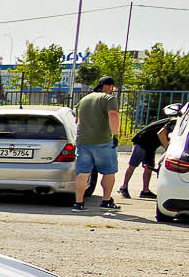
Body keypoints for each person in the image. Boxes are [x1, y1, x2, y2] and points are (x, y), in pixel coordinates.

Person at [72, 76, 121, 210]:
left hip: (83, 142)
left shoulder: (83, 100)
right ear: (109, 86)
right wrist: (115, 135)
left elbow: (77, 121)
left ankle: (78, 203)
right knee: (109, 172)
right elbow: (113, 115)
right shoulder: (109, 98)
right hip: (103, 141)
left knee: (83, 173)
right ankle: (106, 201)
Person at [125, 107, 177, 200]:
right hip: (143, 141)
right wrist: (168, 148)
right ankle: (124, 187)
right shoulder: (174, 121)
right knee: (133, 165)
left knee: (149, 167)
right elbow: (161, 134)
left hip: (151, 145)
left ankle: (145, 191)